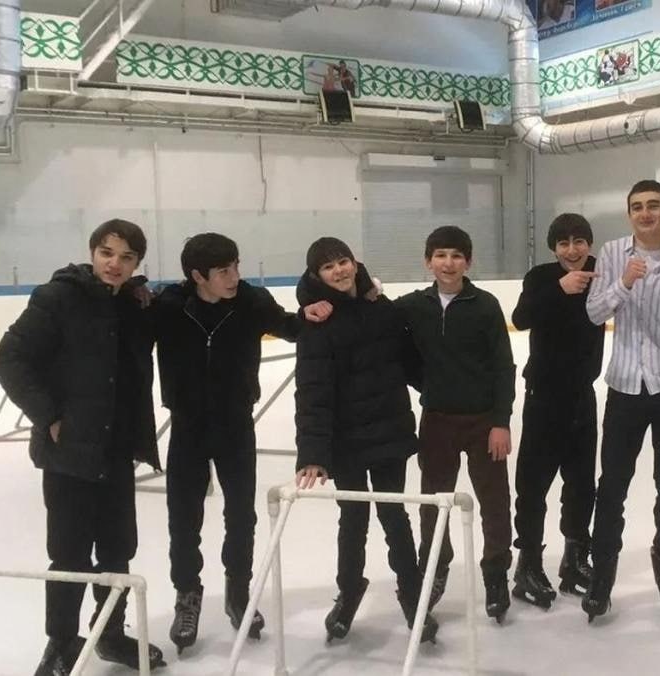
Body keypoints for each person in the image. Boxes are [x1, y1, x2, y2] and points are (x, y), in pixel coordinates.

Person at [0, 219, 167, 676]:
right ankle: (61, 643)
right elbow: (9, 358)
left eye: (127, 257)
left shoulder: (132, 304)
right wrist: (48, 415)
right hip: (69, 450)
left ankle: (110, 633)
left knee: (118, 549)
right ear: (92, 252)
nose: (115, 264)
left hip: (116, 448)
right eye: (107, 253)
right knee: (69, 552)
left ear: (137, 263)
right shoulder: (58, 298)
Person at [150, 232, 302, 654]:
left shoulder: (251, 303)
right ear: (198, 276)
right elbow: (123, 330)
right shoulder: (170, 307)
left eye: (236, 266)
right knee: (183, 518)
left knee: (240, 515)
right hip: (188, 427)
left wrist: (323, 304)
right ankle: (187, 595)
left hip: (236, 425)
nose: (234, 276)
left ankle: (238, 592)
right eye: (223, 270)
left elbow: (292, 327)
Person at [293, 237, 437, 644]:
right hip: (347, 441)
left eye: (342, 262)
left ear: (355, 264)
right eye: (328, 267)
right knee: (353, 519)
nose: (338, 271)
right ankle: (350, 590)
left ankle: (412, 594)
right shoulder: (317, 323)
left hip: (389, 431)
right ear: (317, 276)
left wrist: (449, 398)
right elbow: (312, 392)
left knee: (395, 516)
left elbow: (411, 363)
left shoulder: (382, 310)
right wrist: (313, 452)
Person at [583, 179, 660, 622]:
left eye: (654, 206)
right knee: (612, 486)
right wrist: (624, 283)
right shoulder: (612, 253)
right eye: (637, 207)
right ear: (629, 213)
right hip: (625, 387)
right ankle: (602, 575)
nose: (645, 213)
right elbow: (594, 312)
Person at [393, 226, 517, 624]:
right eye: (441, 255)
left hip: (483, 423)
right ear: (428, 261)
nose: (449, 263)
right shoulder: (413, 306)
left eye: (457, 255)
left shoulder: (485, 305)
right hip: (437, 423)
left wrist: (501, 422)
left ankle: (496, 572)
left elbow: (503, 366)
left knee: (495, 502)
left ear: (469, 261)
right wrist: (427, 385)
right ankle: (435, 567)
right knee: (434, 503)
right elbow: (377, 319)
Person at [509, 213, 604, 609]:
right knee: (533, 485)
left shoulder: (602, 272)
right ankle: (528, 563)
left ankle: (575, 558)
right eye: (563, 243)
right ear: (553, 248)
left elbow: (640, 263)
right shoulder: (541, 277)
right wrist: (559, 289)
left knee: (581, 484)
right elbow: (519, 319)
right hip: (543, 397)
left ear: (589, 244)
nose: (572, 250)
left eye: (579, 241)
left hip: (582, 396)